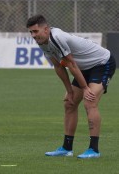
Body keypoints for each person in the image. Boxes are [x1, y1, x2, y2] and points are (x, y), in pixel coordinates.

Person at [26, 14, 116, 159]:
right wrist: (69, 91)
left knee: (90, 102)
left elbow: (71, 64)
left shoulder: (57, 38)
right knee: (69, 103)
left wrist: (85, 88)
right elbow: (58, 66)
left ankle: (94, 150)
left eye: (35, 31)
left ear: (46, 29)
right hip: (83, 68)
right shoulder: (42, 41)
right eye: (31, 32)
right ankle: (66, 148)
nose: (33, 35)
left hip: (102, 63)